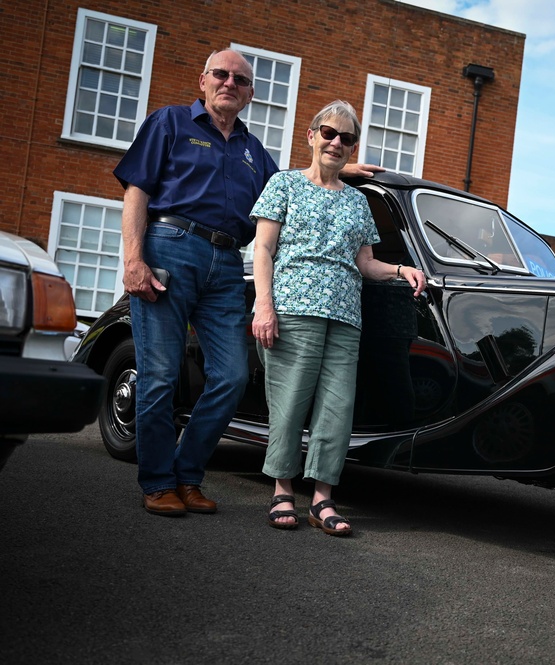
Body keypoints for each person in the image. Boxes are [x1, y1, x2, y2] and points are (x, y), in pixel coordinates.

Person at [113, 50, 379, 517]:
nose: (230, 83)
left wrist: (344, 168)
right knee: (159, 375)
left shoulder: (253, 151)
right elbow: (137, 189)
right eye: (222, 74)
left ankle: (188, 475)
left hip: (226, 262)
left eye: (241, 79)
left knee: (233, 376)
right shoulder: (170, 122)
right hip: (171, 246)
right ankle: (159, 482)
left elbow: (300, 186)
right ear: (204, 80)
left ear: (250, 93)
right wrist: (134, 258)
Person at [251, 100, 426, 536]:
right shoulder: (284, 184)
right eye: (329, 133)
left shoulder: (357, 203)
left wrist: (401, 270)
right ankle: (281, 490)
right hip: (293, 310)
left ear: (352, 147)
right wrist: (264, 304)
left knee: (336, 409)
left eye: (346, 138)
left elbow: (366, 264)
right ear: (311, 136)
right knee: (290, 402)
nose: (336, 142)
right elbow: (263, 249)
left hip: (346, 319)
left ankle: (323, 499)